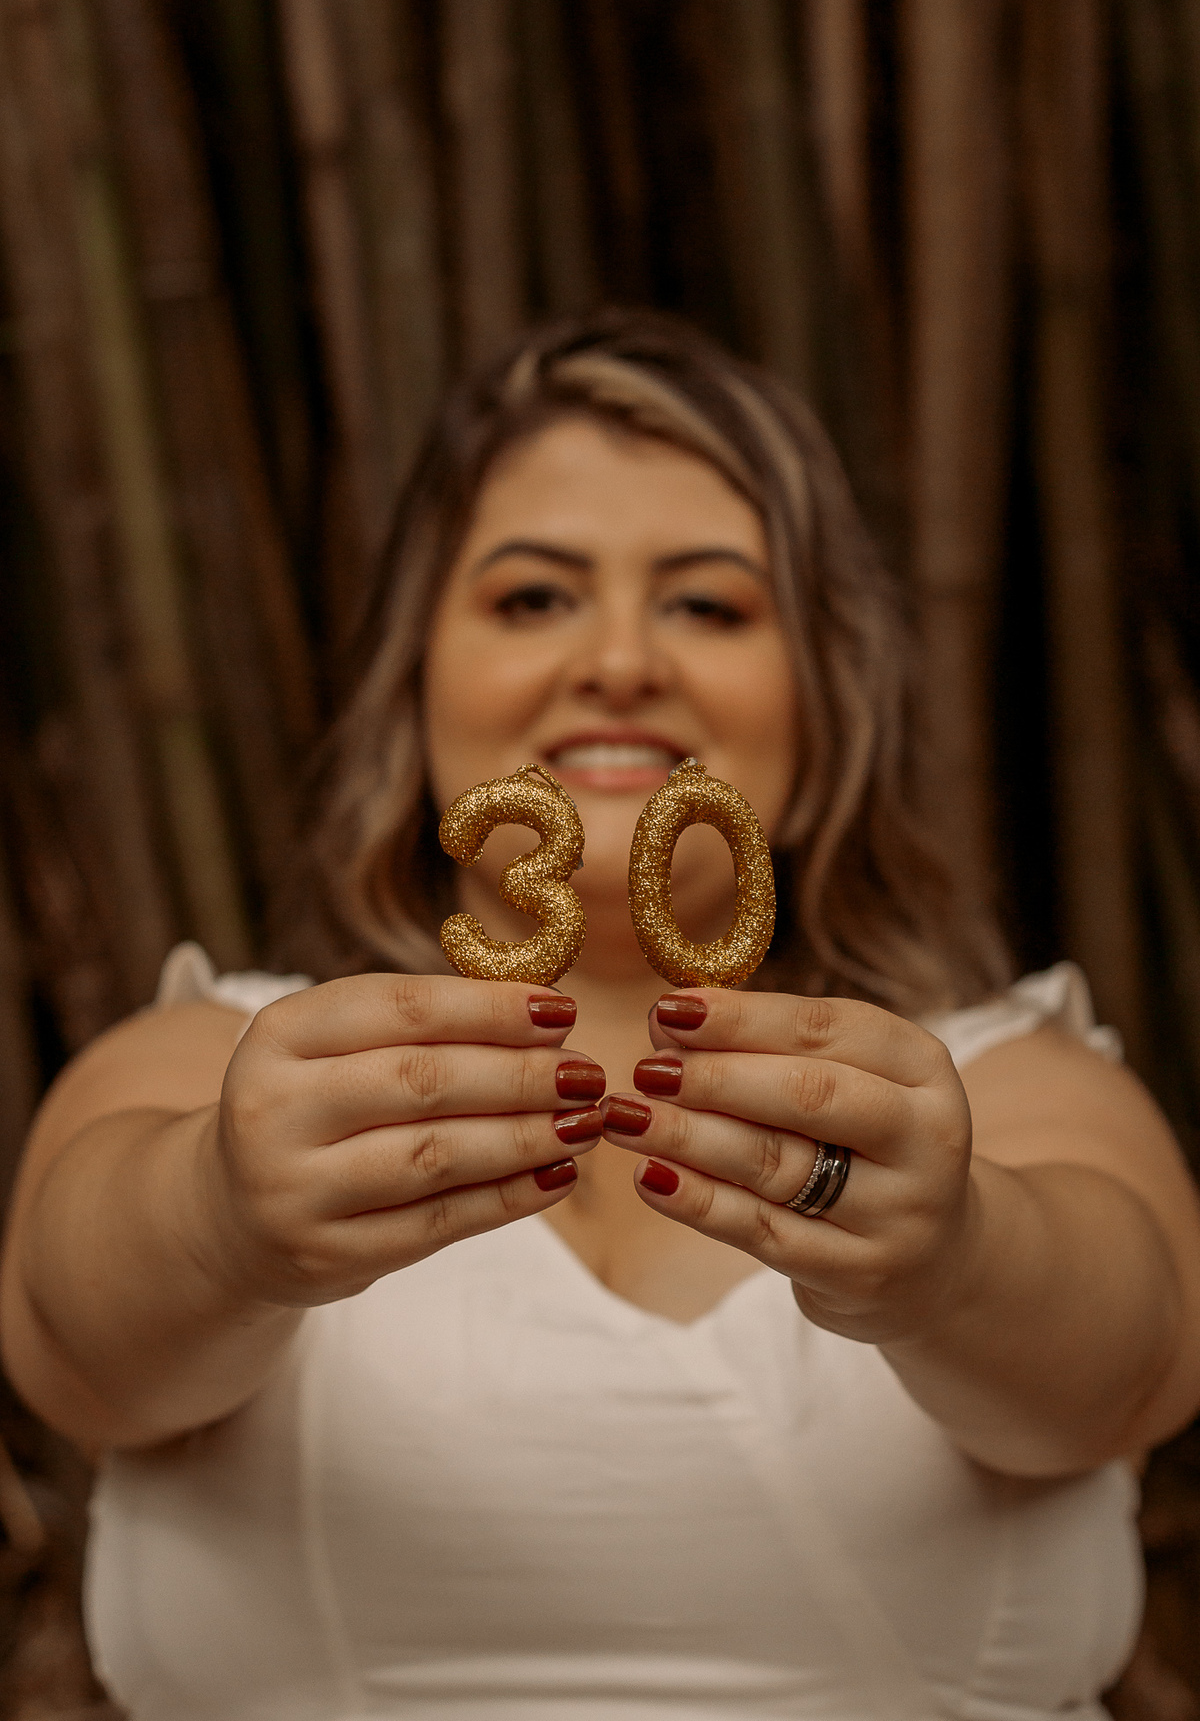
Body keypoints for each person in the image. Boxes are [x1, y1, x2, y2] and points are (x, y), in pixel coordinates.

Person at [2, 312, 1199, 1721]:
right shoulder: (231, 1063)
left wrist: (956, 1253)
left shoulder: (993, 1084)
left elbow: (1130, 1365)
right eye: (531, 599)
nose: (621, 661)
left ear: (823, 723)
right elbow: (69, 1335)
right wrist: (217, 1214)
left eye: (709, 604)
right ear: (415, 696)